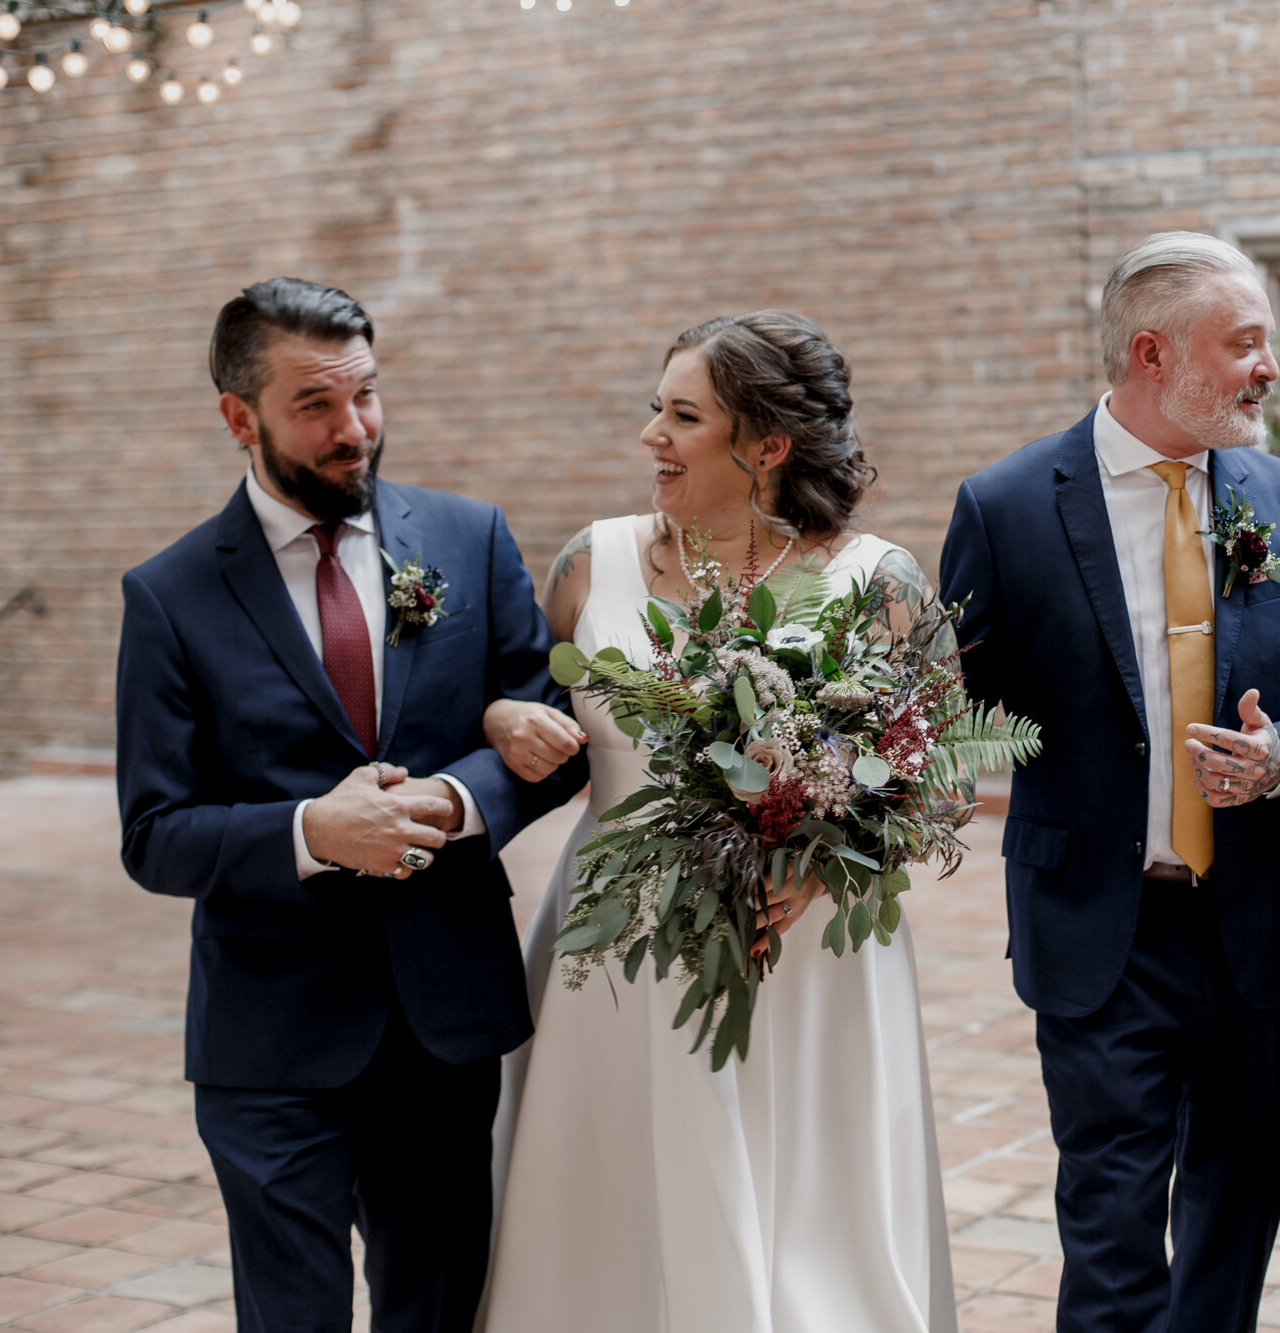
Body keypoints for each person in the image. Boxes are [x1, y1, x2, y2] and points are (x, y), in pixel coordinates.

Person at [115, 277, 584, 1333]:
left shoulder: (467, 539)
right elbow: (153, 832)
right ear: (238, 416)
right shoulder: (170, 595)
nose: (354, 430)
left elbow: (548, 735)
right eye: (315, 406)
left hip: (443, 1018)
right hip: (267, 1036)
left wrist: (457, 800)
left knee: (439, 1306)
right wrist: (308, 834)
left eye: (365, 394)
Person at [936, 232, 1280, 1333]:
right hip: (1098, 922)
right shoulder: (1002, 507)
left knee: (1233, 1226)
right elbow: (949, 714)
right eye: (1242, 345)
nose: (1266, 369)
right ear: (1151, 353)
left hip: (1258, 924)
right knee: (1112, 1226)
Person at [477, 310, 956, 1331]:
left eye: (681, 415)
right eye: (656, 408)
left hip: (806, 954)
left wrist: (829, 864)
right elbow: (503, 696)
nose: (650, 435)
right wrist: (499, 712)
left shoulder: (879, 581)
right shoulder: (588, 564)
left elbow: (935, 771)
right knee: (610, 1210)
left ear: (767, 445)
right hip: (618, 945)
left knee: (813, 1228)